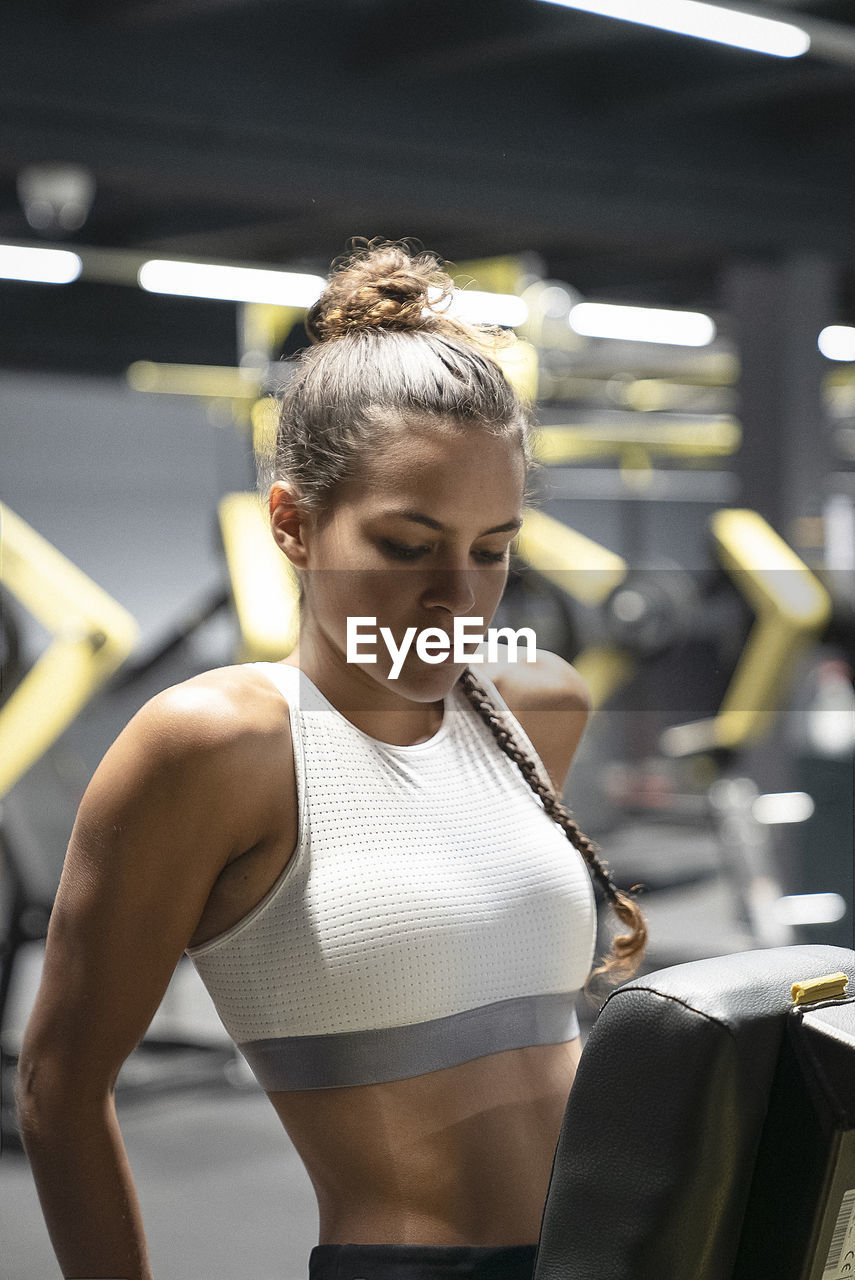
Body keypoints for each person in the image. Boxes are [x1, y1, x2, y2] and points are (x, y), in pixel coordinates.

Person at [15, 239, 646, 1280]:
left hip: (621, 1252)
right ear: (293, 523)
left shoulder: (539, 704)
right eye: (407, 545)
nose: (461, 597)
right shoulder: (216, 744)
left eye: (493, 550)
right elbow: (56, 1086)